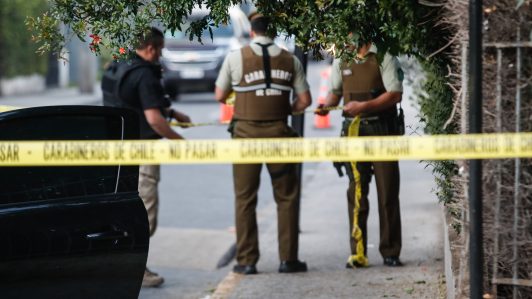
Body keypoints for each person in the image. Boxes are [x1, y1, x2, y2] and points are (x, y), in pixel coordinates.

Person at [214, 12, 312, 275]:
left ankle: (246, 261)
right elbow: (305, 101)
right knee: (287, 197)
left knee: (245, 199)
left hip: (245, 138)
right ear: (274, 31)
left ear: (252, 31)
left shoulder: (236, 58)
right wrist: (282, 107)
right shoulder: (290, 60)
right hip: (280, 135)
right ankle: (288, 260)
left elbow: (220, 94)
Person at [101, 27, 191, 287]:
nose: (160, 55)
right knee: (144, 214)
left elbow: (132, 101)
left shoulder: (117, 66)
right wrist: (181, 143)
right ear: (151, 48)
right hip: (142, 150)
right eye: (160, 49)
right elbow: (153, 120)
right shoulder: (145, 74)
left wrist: (171, 112)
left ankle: (118, 265)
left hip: (115, 148)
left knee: (122, 209)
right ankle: (135, 270)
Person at [317, 41, 404, 268]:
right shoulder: (342, 58)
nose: (344, 37)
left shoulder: (384, 55)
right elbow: (335, 93)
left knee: (387, 193)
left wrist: (363, 106)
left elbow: (395, 95)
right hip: (353, 132)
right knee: (356, 193)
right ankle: (357, 252)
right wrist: (326, 106)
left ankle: (391, 252)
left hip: (382, 130)